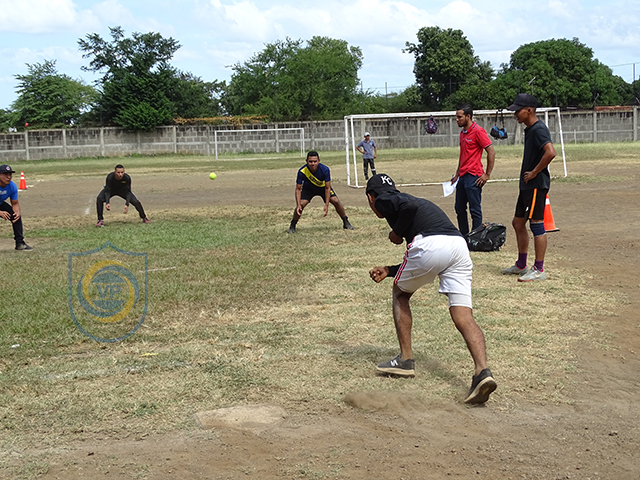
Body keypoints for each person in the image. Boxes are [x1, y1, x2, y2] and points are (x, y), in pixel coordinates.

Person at [366, 173, 496, 404]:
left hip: (431, 243)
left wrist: (396, 233)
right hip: (458, 246)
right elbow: (430, 258)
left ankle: (406, 359)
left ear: (370, 197)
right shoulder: (410, 200)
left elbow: (411, 213)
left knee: (400, 293)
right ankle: (482, 372)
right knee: (463, 316)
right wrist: (389, 269)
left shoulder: (384, 199)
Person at [501, 94, 557, 282]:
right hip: (527, 186)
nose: (515, 114)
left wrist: (534, 172)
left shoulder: (539, 129)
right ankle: (521, 264)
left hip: (535, 185)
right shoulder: (530, 129)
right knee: (518, 223)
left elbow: (551, 152)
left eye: (518, 110)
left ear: (529, 110)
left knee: (536, 224)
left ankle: (539, 269)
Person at [451, 105, 495, 235]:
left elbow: (491, 152)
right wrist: (457, 174)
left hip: (473, 175)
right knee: (459, 208)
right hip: (463, 176)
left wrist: (487, 174)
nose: (457, 120)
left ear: (468, 116)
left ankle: (476, 237)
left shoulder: (478, 131)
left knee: (474, 209)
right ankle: (464, 235)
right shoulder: (462, 133)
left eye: (460, 117)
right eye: (456, 117)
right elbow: (463, 155)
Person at [287, 151, 354, 233]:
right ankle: (292, 225)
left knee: (336, 201)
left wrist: (326, 204)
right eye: (310, 161)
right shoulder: (302, 171)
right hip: (308, 189)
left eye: (315, 161)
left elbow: (327, 188)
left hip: (323, 188)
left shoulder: (325, 169)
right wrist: (298, 205)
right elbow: (298, 189)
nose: (313, 164)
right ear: (306, 161)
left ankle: (346, 222)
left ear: (318, 161)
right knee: (301, 205)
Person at [0, 164, 33, 251]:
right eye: (5, 174)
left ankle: (20, 243)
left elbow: (15, 203)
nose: (9, 177)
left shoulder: (12, 186)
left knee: (16, 216)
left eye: (10, 174)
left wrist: (17, 212)